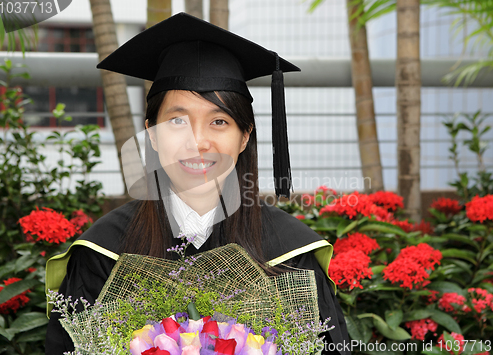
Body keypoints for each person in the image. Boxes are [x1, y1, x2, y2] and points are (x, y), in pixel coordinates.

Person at [45, 13, 350, 355]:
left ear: (245, 135)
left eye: (219, 121)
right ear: (152, 133)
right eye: (177, 121)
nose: (198, 141)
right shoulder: (103, 252)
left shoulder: (291, 254)